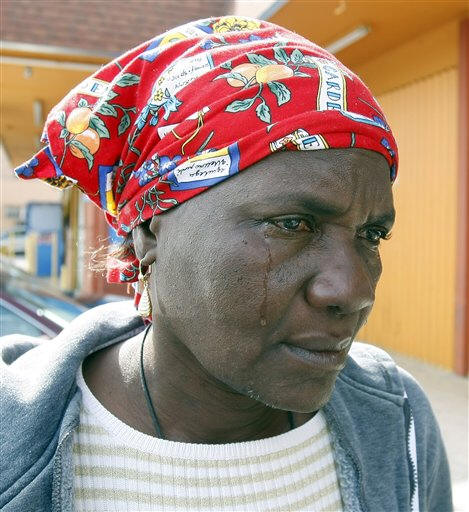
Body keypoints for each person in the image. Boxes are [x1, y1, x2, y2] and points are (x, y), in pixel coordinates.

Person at [1, 15, 451, 512]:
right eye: (291, 224)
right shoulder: (12, 434)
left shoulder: (399, 421)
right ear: (148, 231)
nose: (354, 290)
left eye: (371, 235)